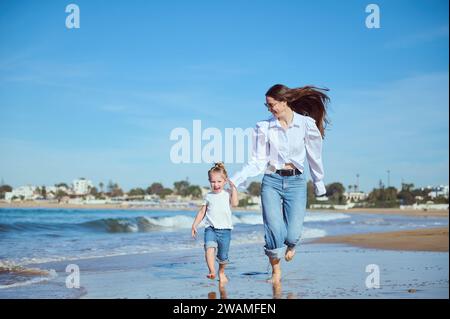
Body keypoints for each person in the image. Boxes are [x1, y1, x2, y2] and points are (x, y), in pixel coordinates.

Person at [229, 84, 330, 283]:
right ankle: (276, 272)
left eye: (272, 105)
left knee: (292, 235)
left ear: (285, 101)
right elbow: (257, 161)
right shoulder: (264, 127)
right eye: (267, 106)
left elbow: (314, 156)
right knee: (273, 229)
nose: (270, 109)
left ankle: (291, 245)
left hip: (296, 182)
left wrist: (319, 183)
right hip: (272, 181)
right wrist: (236, 179)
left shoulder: (306, 124)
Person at [191, 162, 239, 284]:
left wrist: (234, 188)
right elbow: (202, 212)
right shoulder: (208, 196)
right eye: (213, 181)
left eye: (219, 181)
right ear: (209, 181)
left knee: (223, 257)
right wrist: (194, 225)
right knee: (209, 248)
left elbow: (235, 204)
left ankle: (221, 272)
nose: (216, 184)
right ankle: (212, 271)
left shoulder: (227, 193)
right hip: (210, 228)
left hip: (225, 230)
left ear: (225, 181)